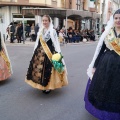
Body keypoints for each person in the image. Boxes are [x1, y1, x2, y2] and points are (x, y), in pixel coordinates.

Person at [84, 9, 120, 120]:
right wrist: (94, 66)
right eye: (116, 18)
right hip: (105, 66)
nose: (118, 20)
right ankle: (104, 113)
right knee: (104, 87)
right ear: (113, 19)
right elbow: (101, 50)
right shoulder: (108, 33)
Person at [25, 15, 68, 94]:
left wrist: (57, 54)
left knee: (49, 69)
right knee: (39, 69)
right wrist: (35, 51)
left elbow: (55, 43)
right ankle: (41, 85)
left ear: (49, 21)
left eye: (46, 21)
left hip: (50, 52)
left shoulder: (53, 31)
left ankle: (48, 86)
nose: (44, 22)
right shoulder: (41, 30)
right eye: (43, 21)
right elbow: (38, 42)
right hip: (40, 52)